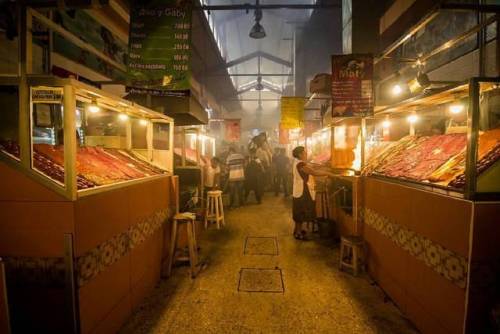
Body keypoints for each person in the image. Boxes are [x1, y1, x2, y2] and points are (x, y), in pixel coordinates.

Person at [291, 146, 335, 240]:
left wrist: (321, 167)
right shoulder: (300, 164)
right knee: (301, 211)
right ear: (300, 154)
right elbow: (314, 172)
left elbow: (310, 167)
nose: (306, 154)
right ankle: (298, 233)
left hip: (298, 190)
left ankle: (297, 230)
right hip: (302, 191)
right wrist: (328, 173)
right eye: (304, 152)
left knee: (299, 210)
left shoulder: (298, 162)